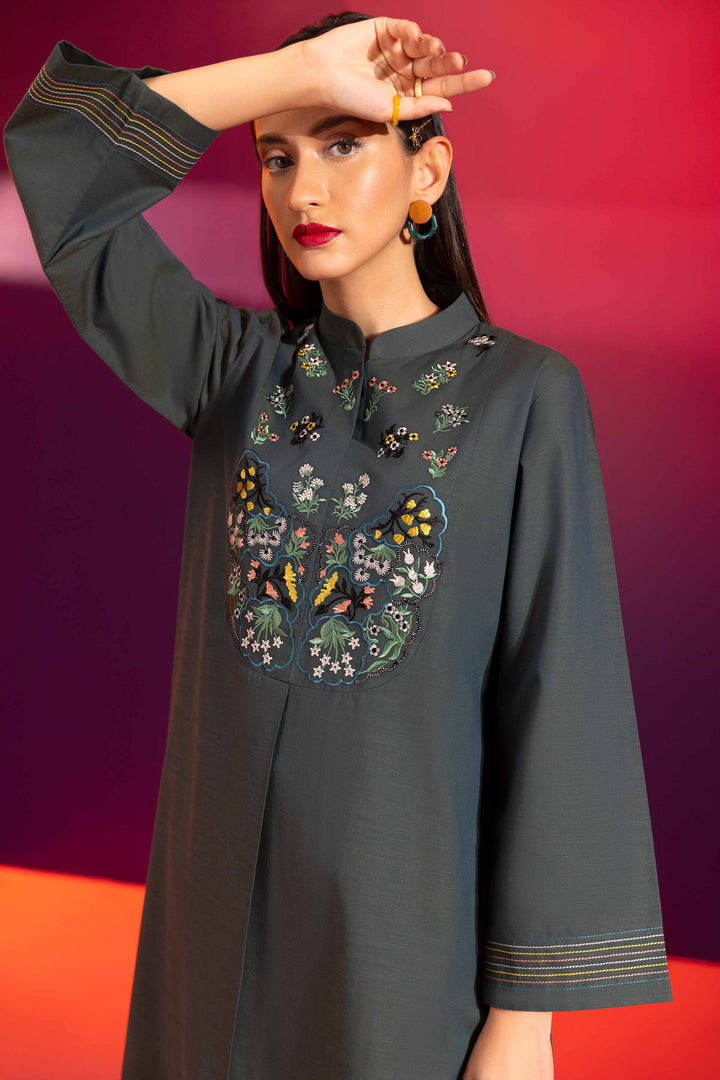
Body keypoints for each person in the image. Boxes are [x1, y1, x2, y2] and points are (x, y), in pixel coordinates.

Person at [3, 11, 672, 1080]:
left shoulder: (523, 398)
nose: (303, 192)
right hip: (206, 958)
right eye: (277, 157)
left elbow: (560, 704)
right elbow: (58, 157)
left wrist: (524, 1023)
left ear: (427, 173)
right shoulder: (236, 374)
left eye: (345, 145)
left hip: (402, 969)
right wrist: (298, 72)